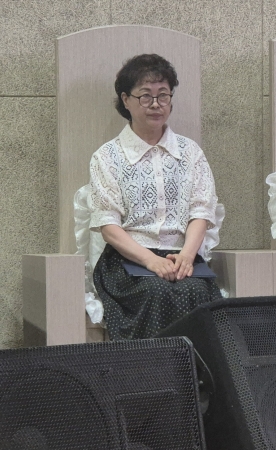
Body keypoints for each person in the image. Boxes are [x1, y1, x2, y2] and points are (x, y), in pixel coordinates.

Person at [90, 54, 221, 340]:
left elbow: (201, 212)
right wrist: (150, 261)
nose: (156, 104)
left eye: (163, 95)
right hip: (127, 261)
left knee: (196, 290)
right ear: (126, 100)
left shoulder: (190, 152)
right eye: (145, 96)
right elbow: (108, 226)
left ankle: (195, 369)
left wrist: (187, 256)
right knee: (157, 290)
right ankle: (151, 367)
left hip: (181, 256)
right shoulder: (107, 157)